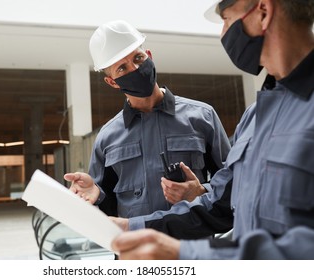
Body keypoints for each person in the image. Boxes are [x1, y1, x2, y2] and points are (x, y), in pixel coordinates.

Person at [111, 0, 314, 259]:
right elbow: (218, 203)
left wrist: (185, 254)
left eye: (227, 19)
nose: (223, 34)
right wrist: (133, 227)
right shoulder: (255, 118)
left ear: (263, 12)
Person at [64, 20, 231, 218]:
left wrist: (201, 192)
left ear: (149, 56)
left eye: (138, 58)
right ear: (112, 82)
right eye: (122, 69)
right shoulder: (107, 138)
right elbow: (108, 214)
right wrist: (97, 195)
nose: (134, 69)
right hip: (136, 247)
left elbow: (232, 182)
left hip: (192, 245)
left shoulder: (203, 117)